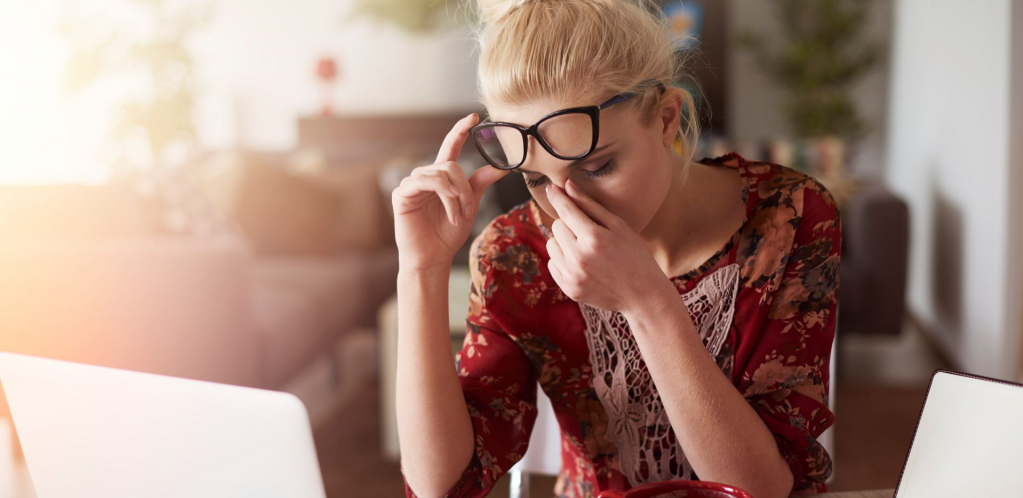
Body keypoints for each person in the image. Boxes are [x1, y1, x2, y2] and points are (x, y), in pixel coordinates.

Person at [392, 0, 841, 497]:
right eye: (537, 179)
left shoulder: (789, 217)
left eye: (598, 166)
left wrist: (647, 302)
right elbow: (442, 485)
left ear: (668, 119)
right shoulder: (515, 255)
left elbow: (762, 490)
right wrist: (421, 269)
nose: (570, 208)